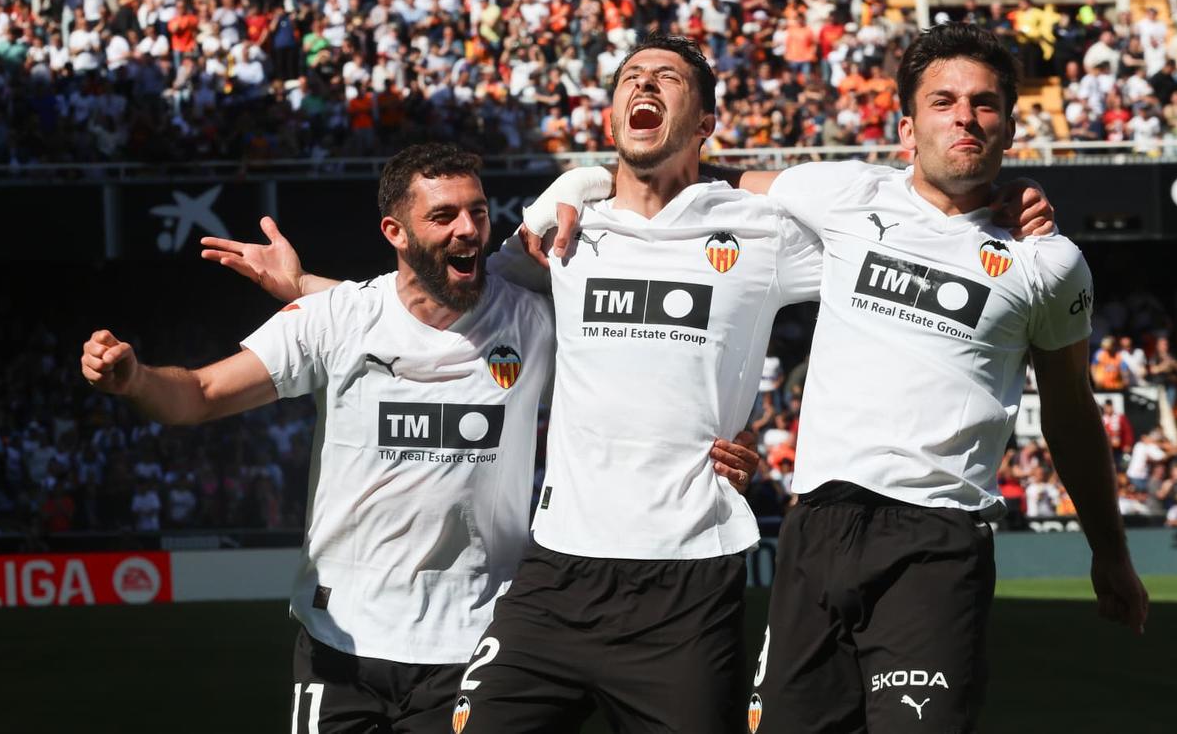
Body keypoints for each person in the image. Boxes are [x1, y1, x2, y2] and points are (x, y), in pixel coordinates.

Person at [528, 24, 1147, 734]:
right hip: (815, 529)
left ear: (1008, 128)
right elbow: (687, 171)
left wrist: (1109, 550)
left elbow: (1070, 413)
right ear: (907, 128)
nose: (965, 118)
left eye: (984, 104)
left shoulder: (1050, 263)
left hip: (937, 540)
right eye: (943, 102)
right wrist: (582, 179)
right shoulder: (844, 193)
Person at [186, 142, 760, 733]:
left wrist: (708, 443)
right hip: (341, 635)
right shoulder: (349, 315)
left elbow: (631, 379)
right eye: (444, 215)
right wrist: (139, 375)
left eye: (478, 212)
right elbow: (385, 309)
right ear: (395, 231)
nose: (468, 228)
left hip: (477, 634)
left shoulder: (528, 317)